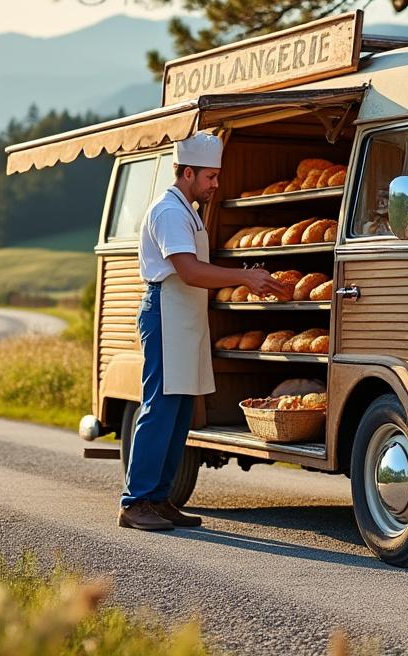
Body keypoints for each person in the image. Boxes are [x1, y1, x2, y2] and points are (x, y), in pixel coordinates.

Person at [119, 131, 291, 531]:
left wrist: (246, 278)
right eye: (210, 177)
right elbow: (190, 271)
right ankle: (134, 502)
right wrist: (244, 278)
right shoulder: (169, 211)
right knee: (159, 408)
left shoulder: (188, 209)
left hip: (184, 315)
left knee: (180, 412)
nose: (216, 184)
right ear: (188, 173)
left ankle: (158, 499)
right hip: (166, 313)